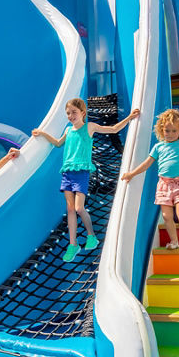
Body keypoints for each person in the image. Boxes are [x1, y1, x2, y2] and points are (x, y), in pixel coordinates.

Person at [31, 98, 140, 261]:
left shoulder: (89, 127)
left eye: (74, 112)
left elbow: (113, 128)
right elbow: (57, 143)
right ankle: (73, 244)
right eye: (68, 113)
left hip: (81, 172)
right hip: (67, 173)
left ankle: (91, 236)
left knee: (79, 208)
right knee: (69, 209)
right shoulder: (68, 131)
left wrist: (130, 117)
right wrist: (42, 133)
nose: (70, 116)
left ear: (83, 113)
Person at [120, 108, 179, 257]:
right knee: (167, 216)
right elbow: (146, 163)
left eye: (174, 131)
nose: (170, 134)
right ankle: (174, 241)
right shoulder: (159, 147)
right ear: (161, 130)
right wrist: (132, 173)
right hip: (164, 184)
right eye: (167, 131)